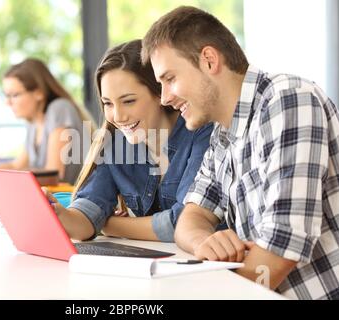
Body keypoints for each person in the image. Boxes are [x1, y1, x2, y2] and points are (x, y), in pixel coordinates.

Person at [141, 6, 339, 299]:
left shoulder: (287, 100)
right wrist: (204, 243)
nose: (165, 98)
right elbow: (191, 216)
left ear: (209, 60)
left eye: (169, 79)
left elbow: (281, 247)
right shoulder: (222, 136)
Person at [43, 39, 213, 243]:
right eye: (108, 104)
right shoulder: (116, 143)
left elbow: (184, 224)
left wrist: (109, 225)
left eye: (128, 101)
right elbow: (85, 218)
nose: (118, 116)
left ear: (160, 93)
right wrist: (58, 213)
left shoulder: (202, 134)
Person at [0, 58, 94, 184]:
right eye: (6, 95)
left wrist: (4, 180)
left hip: (69, 199)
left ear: (39, 93)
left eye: (14, 95)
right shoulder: (33, 124)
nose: (8, 102)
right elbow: (16, 166)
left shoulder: (59, 108)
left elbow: (53, 173)